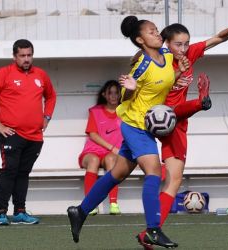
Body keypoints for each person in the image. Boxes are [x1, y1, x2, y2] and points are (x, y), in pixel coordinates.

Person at [66, 15, 189, 247]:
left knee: (118, 174)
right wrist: (130, 89)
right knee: (154, 171)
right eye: (152, 32)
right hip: (135, 126)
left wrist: (179, 74)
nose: (158, 34)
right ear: (140, 39)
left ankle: (80, 211)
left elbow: (160, 86)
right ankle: (153, 229)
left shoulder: (167, 56)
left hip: (146, 128)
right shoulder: (140, 65)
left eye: (157, 30)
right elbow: (125, 97)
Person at [135, 17, 228, 248]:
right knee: (170, 173)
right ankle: (200, 102)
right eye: (178, 44)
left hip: (175, 122)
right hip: (162, 116)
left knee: (173, 180)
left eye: (186, 43)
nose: (183, 48)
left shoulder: (189, 54)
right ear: (166, 44)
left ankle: (150, 232)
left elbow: (218, 39)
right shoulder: (161, 61)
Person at [0, 39, 57, 226]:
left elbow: (51, 96)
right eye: (22, 56)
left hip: (35, 136)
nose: (26, 59)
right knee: (9, 171)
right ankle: (1, 212)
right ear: (15, 56)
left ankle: (20, 212)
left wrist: (47, 117)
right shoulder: (3, 73)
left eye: (29, 55)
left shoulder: (41, 75)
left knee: (23, 173)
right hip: (11, 134)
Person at [78, 80, 122, 215]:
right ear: (104, 95)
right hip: (92, 152)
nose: (113, 96)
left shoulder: (125, 112)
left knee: (111, 160)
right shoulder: (95, 111)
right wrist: (112, 147)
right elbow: (92, 134)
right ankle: (89, 204)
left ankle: (113, 203)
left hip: (111, 155)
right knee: (93, 161)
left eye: (116, 93)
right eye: (110, 93)